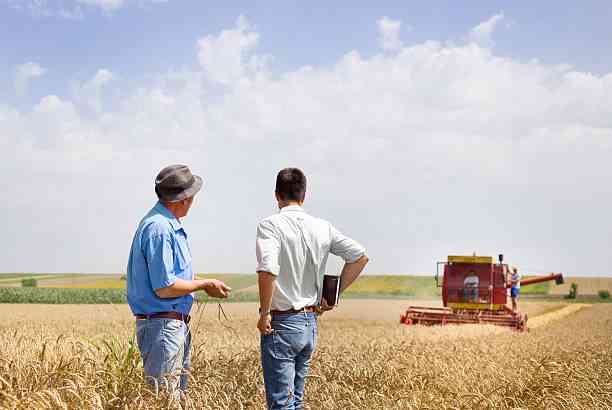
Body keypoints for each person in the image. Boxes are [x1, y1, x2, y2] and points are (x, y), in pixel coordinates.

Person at [256, 168, 369, 410]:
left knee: (281, 405)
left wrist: (264, 312)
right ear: (304, 195)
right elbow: (359, 257)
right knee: (295, 403)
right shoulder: (322, 227)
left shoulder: (270, 225)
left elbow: (267, 269)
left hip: (283, 322)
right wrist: (333, 296)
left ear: (276, 195)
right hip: (310, 323)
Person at [126, 164, 231, 396]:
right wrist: (204, 285)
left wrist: (205, 283)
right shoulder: (160, 229)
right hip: (163, 327)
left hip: (168, 326)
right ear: (183, 199)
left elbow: (174, 278)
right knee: (166, 398)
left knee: (174, 397)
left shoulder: (163, 225)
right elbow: (165, 287)